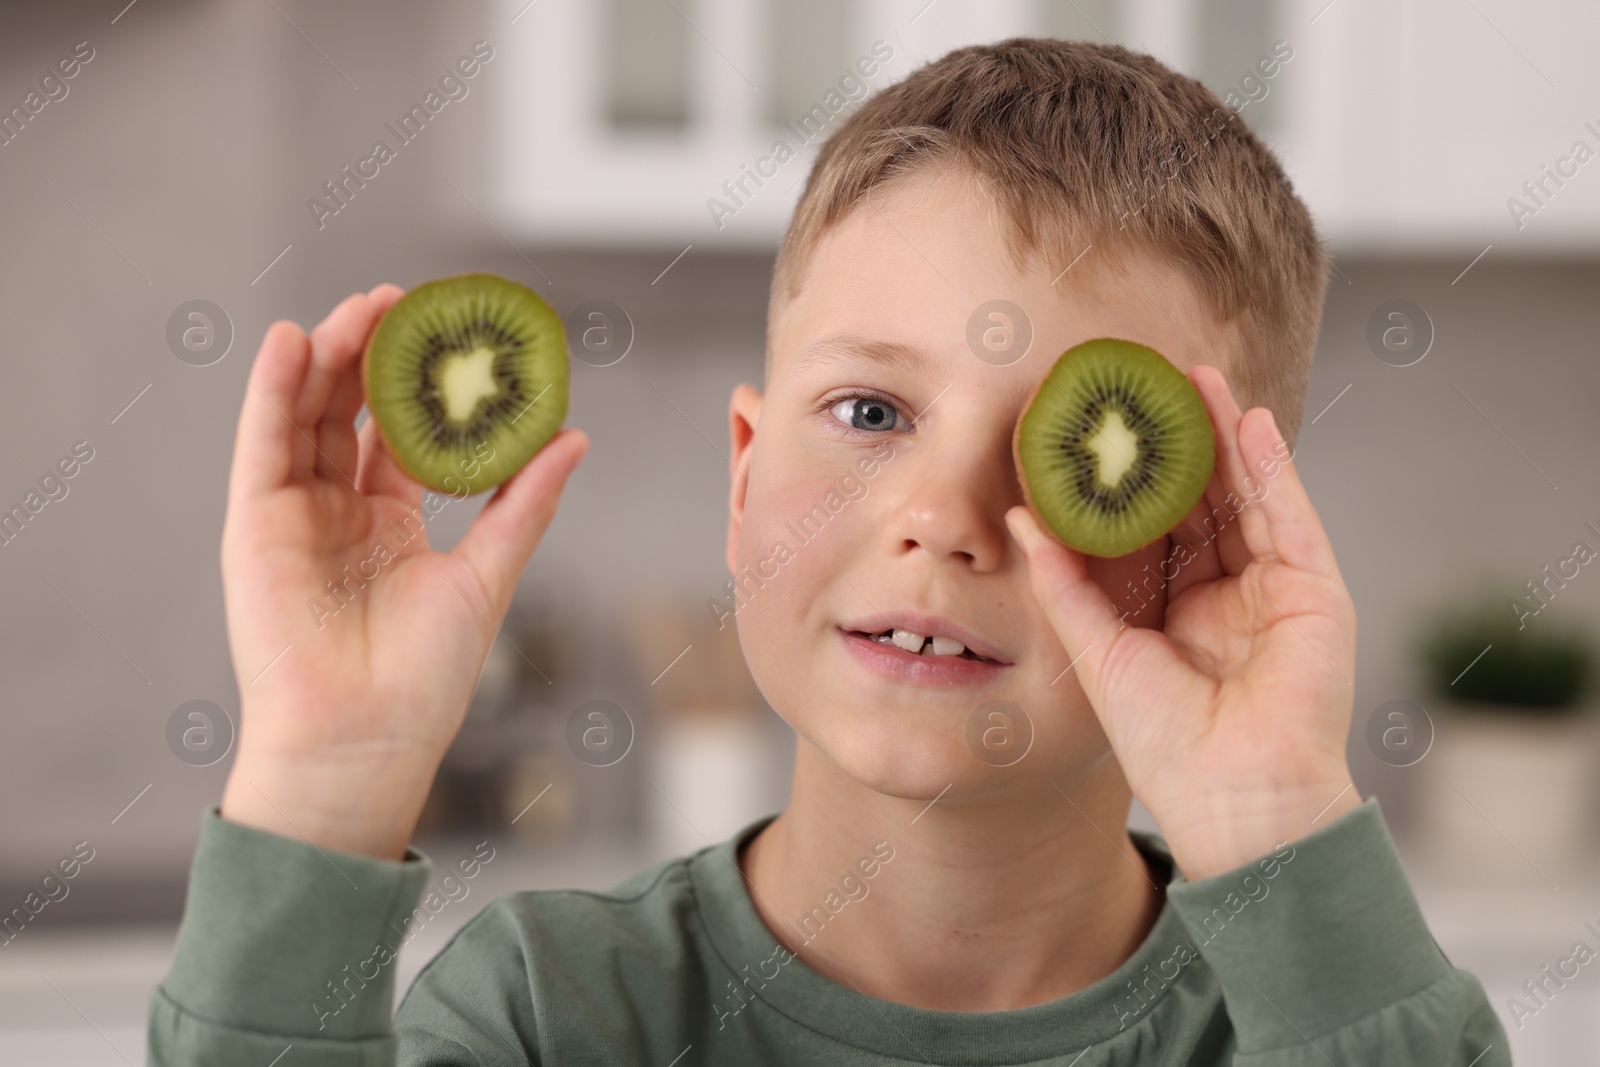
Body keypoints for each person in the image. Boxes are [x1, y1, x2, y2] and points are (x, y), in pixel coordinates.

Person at [148, 38, 1507, 1065]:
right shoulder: (554, 1014)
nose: (942, 517)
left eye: (1065, 443)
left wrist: (1276, 817)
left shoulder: (1313, 1017)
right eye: (871, 412)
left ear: (1221, 532)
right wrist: (322, 780)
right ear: (746, 477)